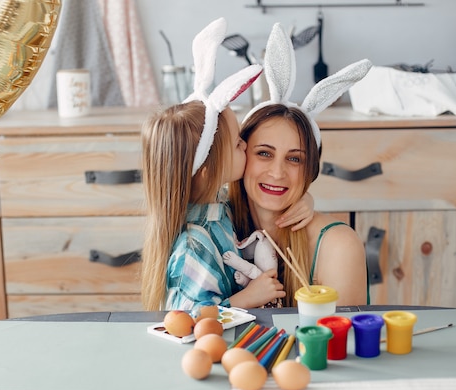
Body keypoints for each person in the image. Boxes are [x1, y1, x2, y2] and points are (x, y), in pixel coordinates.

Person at [140, 18, 313, 311]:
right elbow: (186, 323)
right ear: (209, 167)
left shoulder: (218, 205)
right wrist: (247, 298)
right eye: (237, 144)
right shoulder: (194, 245)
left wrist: (304, 197)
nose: (245, 144)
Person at [227, 23, 373, 307]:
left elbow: (339, 345)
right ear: (242, 154)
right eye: (264, 153)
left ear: (311, 170)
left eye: (295, 159)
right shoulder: (216, 224)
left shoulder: (338, 246)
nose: (278, 172)